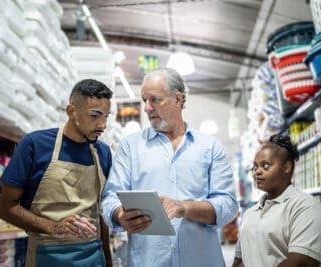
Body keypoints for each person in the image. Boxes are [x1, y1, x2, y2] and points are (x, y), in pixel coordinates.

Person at [102, 67, 239, 267]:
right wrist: (119, 214)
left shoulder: (209, 147)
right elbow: (109, 197)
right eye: (144, 101)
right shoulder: (130, 147)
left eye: (154, 100)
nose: (147, 108)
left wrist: (184, 207)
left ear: (177, 99)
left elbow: (228, 204)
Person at [0, 79, 114, 267]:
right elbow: (6, 208)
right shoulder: (35, 144)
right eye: (95, 115)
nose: (103, 124)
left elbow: (101, 213)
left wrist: (109, 260)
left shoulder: (103, 153)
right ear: (71, 111)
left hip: (93, 256)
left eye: (106, 116)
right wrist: (53, 227)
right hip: (47, 255)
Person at [232, 134, 321, 267]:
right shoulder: (250, 214)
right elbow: (240, 261)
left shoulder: (306, 209)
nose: (257, 172)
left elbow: (299, 263)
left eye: (265, 166)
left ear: (287, 167)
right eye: (255, 167)